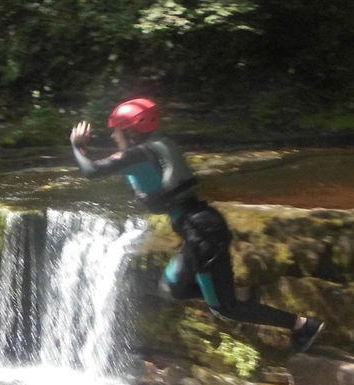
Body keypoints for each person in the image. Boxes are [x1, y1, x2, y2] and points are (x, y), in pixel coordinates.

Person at [69, 97, 325, 353]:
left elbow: (91, 170)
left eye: (116, 129)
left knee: (225, 308)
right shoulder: (159, 146)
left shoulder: (137, 155)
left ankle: (303, 325)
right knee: (171, 287)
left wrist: (78, 147)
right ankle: (238, 293)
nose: (113, 135)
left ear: (131, 131)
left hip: (203, 233)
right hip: (198, 228)